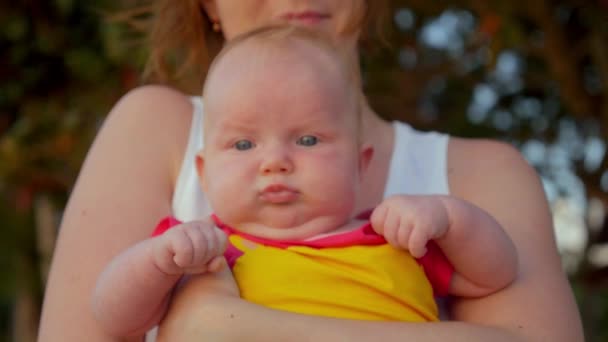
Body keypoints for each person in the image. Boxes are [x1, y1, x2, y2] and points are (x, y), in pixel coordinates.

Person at [38, 1, 584, 341]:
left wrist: (449, 219)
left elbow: (495, 269)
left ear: (362, 162)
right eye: (243, 143)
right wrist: (154, 265)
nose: (274, 161)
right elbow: (107, 315)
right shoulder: (197, 231)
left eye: (307, 140)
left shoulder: (394, 231)